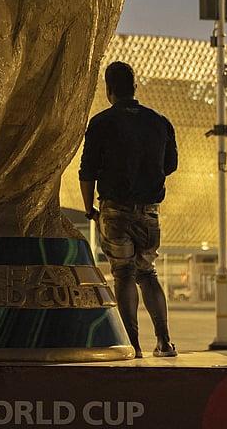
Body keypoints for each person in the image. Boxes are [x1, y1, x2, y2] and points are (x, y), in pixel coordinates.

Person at [80, 61, 179, 358]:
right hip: (149, 213)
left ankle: (132, 345)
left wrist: (89, 211)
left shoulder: (100, 123)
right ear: (135, 87)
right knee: (147, 273)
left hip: (114, 212)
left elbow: (87, 172)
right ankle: (164, 341)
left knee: (123, 274)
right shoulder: (159, 122)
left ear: (108, 90)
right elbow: (170, 165)